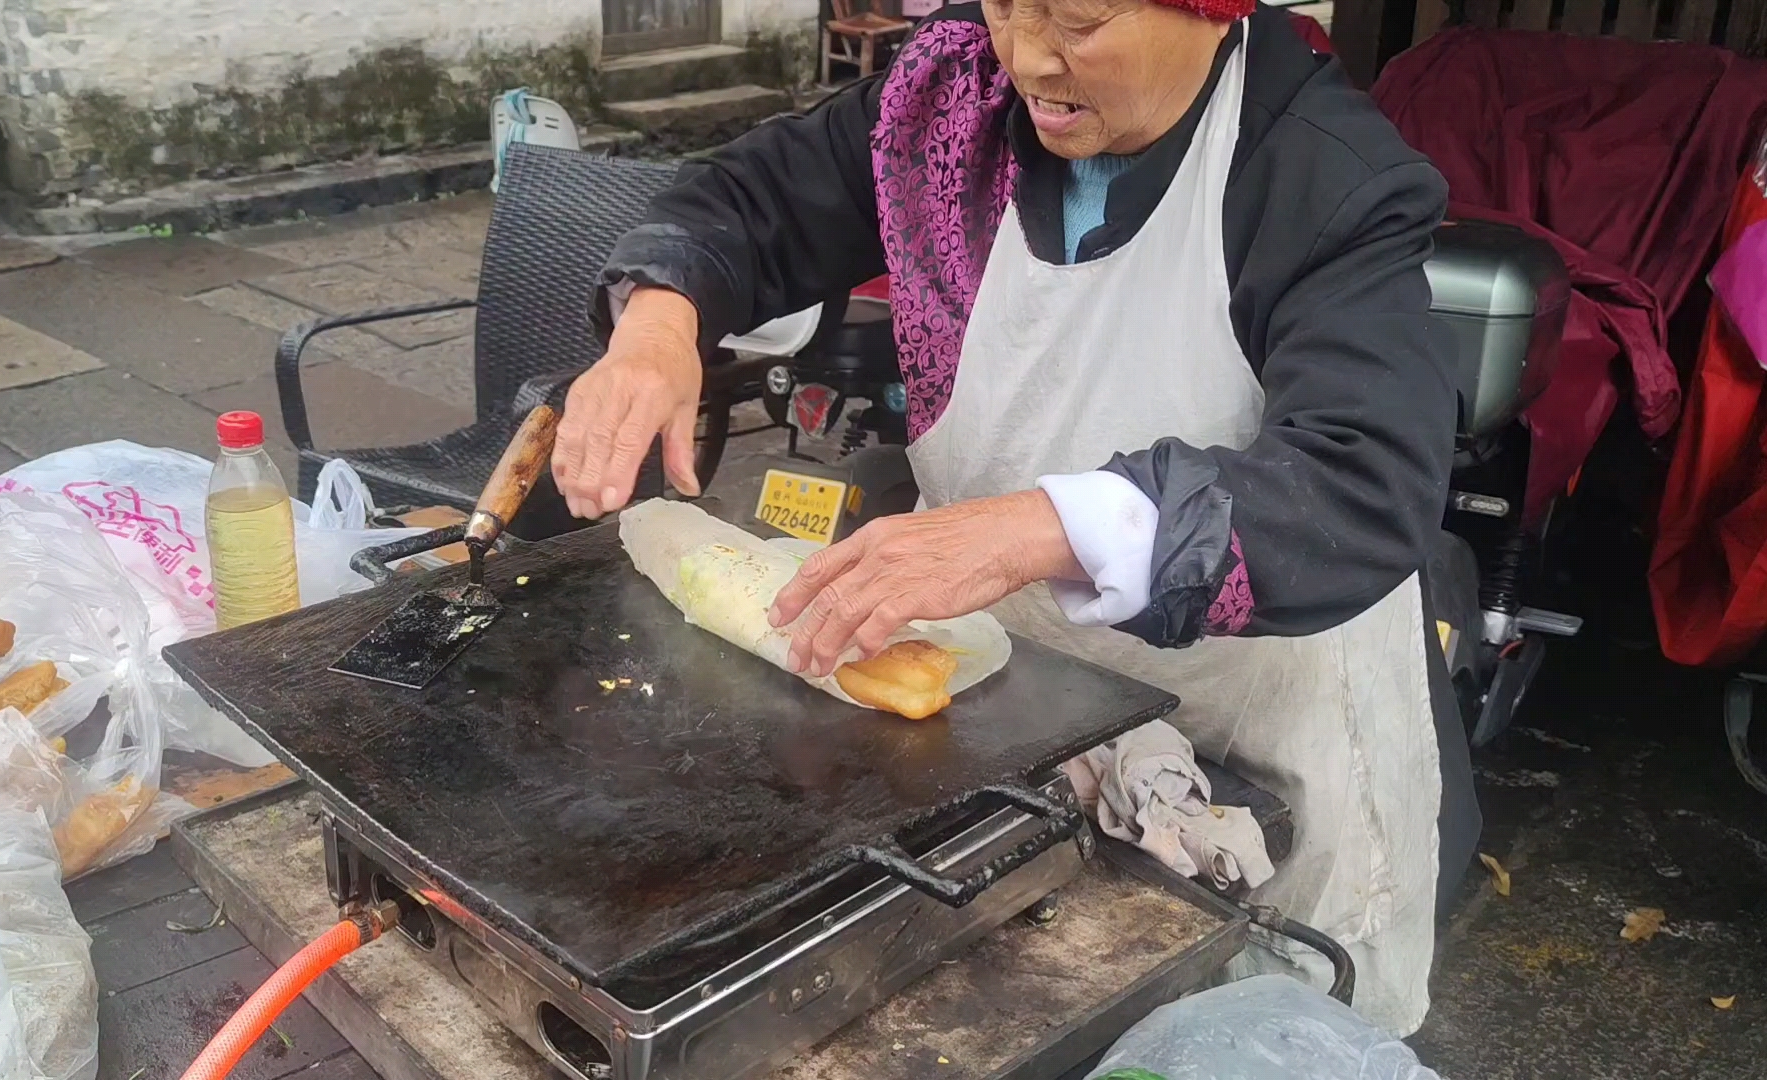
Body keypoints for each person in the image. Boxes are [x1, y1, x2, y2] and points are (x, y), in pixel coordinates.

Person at [551, 0, 1479, 1035]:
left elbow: (1357, 483)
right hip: (1006, 691)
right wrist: (659, 323)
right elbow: (750, 201)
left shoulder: (1322, 175)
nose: (1027, 59)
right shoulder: (949, 99)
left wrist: (1029, 531)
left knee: (1223, 1022)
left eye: (1077, 22)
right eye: (1004, 4)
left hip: (1252, 711)